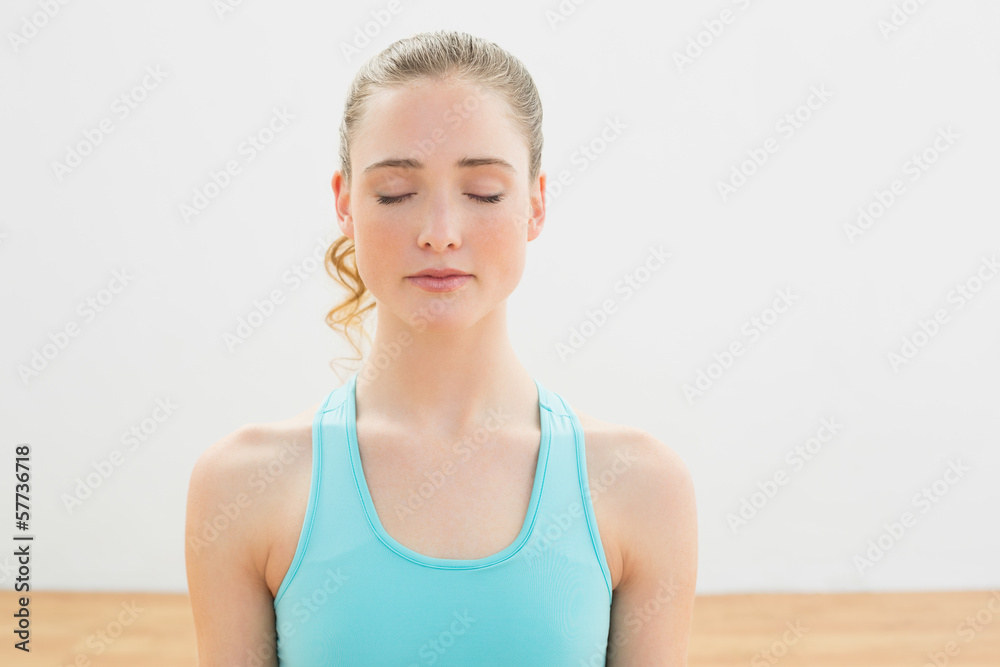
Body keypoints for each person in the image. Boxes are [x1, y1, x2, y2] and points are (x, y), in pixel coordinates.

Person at [185, 29, 697, 666]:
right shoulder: (242, 484)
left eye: (484, 192)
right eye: (395, 193)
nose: (440, 233)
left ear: (535, 205)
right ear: (345, 204)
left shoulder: (641, 487)